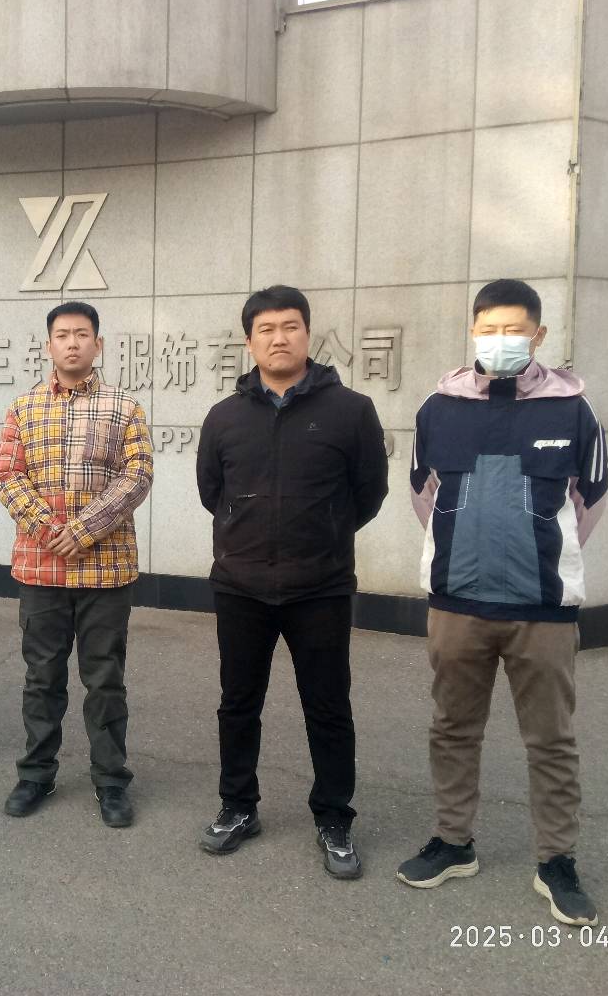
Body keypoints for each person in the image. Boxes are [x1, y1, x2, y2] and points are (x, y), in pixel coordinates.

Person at [395, 279, 608, 927]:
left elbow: (590, 501)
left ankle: (556, 860)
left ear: (538, 335)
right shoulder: (438, 408)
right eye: (488, 329)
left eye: (513, 330)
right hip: (457, 605)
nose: (500, 340)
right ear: (472, 331)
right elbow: (423, 493)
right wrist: (461, 555)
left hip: (542, 609)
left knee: (550, 740)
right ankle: (453, 842)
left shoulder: (572, 411)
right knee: (452, 729)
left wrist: (539, 555)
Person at [195, 286, 388, 876]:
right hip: (241, 585)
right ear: (249, 340)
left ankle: (334, 817)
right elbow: (211, 491)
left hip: (320, 587)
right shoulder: (224, 417)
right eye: (266, 329)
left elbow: (369, 492)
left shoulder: (351, 410)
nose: (279, 338)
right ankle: (238, 806)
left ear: (308, 333)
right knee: (238, 704)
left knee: (327, 707)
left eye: (290, 326)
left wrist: (323, 533)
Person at [0, 301, 153, 827]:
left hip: (106, 571)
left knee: (105, 680)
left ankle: (111, 782)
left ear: (98, 344)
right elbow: (8, 476)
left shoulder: (124, 407)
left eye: (82, 334)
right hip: (41, 571)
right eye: (62, 335)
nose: (72, 343)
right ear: (48, 346)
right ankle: (36, 774)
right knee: (42, 678)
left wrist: (82, 531)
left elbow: (137, 476)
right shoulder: (24, 408)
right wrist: (49, 530)